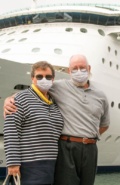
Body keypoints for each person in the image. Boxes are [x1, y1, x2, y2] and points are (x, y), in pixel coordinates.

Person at [4, 54, 110, 185]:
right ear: (69, 71)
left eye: (82, 67)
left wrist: (90, 136)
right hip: (64, 148)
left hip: (86, 150)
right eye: (74, 68)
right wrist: (9, 98)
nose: (44, 80)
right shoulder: (59, 87)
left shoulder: (100, 95)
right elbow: (33, 91)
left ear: (89, 68)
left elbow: (105, 124)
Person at [3, 61, 64, 185]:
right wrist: (13, 163)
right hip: (28, 166)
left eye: (48, 77)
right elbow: (11, 131)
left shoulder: (54, 103)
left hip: (50, 165)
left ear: (53, 79)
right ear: (32, 78)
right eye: (39, 76)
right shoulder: (20, 99)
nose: (44, 79)